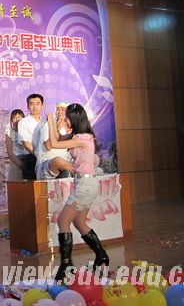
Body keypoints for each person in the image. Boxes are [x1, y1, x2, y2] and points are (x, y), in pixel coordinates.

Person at [46, 103, 109, 282]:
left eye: (67, 117)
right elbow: (56, 140)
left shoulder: (83, 138)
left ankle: (66, 264)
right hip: (85, 184)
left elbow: (54, 143)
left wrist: (50, 121)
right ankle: (101, 255)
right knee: (79, 222)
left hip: (85, 185)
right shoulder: (79, 136)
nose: (65, 119)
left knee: (63, 221)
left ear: (74, 119)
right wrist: (56, 122)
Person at [34, 102, 73, 180]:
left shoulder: (71, 128)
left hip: (66, 164)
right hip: (48, 164)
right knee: (59, 161)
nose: (60, 112)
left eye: (63, 109)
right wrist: (57, 129)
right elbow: (48, 146)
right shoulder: (48, 125)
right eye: (58, 109)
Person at [17, 94, 44, 179]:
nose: (35, 107)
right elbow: (26, 143)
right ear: (28, 106)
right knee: (32, 185)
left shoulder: (45, 122)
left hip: (46, 158)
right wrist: (39, 155)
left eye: (38, 104)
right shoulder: (23, 122)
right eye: (32, 104)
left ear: (42, 105)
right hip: (31, 157)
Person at [5, 109, 26, 180]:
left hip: (28, 159)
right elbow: (9, 151)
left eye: (19, 117)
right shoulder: (10, 130)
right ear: (11, 120)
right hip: (16, 160)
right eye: (14, 118)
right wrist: (20, 164)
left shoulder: (28, 128)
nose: (17, 119)